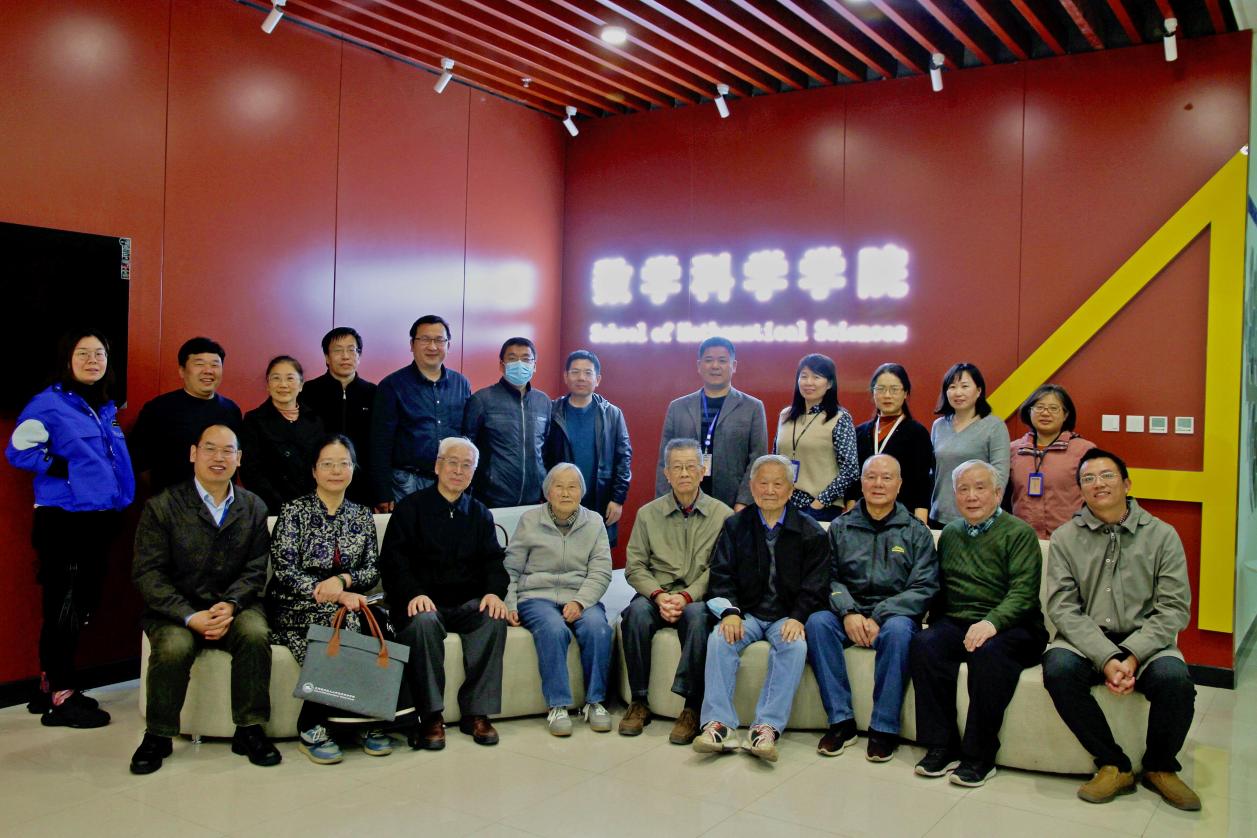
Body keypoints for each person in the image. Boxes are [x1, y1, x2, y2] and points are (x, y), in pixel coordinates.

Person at [1042, 449, 1199, 810]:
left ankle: (1160, 767)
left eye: (1107, 476)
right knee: (1059, 669)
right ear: (1081, 489)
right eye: (1088, 479)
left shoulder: (1162, 535)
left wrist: (1131, 655)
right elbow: (1063, 607)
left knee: (1175, 680)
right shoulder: (1066, 537)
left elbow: (1174, 608)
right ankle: (1113, 764)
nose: (1098, 484)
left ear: (1127, 484)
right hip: (1086, 639)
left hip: (1146, 640)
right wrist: (1107, 656)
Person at [129, 424, 280, 774]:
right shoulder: (163, 507)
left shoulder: (253, 506)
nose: (219, 458)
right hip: (175, 610)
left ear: (239, 458)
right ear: (193, 454)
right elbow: (148, 574)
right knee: (174, 647)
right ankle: (158, 735)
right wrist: (189, 615)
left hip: (235, 606)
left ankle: (250, 728)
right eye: (210, 449)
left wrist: (232, 604)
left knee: (255, 634)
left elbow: (256, 568)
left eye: (228, 451)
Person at [6, 328, 135, 726]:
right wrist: (60, 467)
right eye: (83, 353)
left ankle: (50, 687)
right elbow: (18, 450)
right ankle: (61, 696)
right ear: (67, 359)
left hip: (97, 518)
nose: (93, 360)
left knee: (79, 605)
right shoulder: (48, 403)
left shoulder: (100, 406)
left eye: (100, 354)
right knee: (64, 606)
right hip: (64, 520)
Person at [909, 459, 1046, 787]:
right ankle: (942, 745)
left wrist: (991, 622)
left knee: (988, 654)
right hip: (960, 622)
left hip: (1014, 625)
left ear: (997, 493)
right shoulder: (951, 534)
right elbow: (942, 589)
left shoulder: (1019, 533)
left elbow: (1024, 594)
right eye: (963, 489)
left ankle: (979, 756)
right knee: (925, 645)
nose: (971, 496)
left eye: (980, 488)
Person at [266, 434, 393, 765]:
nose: (336, 471)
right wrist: (327, 591)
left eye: (343, 463)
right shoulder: (294, 511)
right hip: (295, 605)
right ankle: (313, 725)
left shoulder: (361, 515)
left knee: (370, 621)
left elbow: (371, 569)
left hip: (346, 602)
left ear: (353, 468)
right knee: (347, 621)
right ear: (314, 470)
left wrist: (343, 581)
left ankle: (361, 721)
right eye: (327, 464)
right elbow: (284, 570)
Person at [693, 455, 829, 763]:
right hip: (747, 612)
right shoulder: (735, 525)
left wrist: (798, 617)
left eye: (778, 484)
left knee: (795, 646)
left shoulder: (810, 531)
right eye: (763, 483)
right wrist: (730, 612)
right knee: (720, 638)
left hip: (786, 615)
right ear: (752, 487)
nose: (769, 490)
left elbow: (817, 584)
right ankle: (719, 725)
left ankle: (765, 728)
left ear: (790, 490)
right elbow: (721, 575)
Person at [805, 454, 938, 761]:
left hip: (894, 617)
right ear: (861, 483)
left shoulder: (916, 531)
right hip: (847, 613)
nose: (878, 484)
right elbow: (827, 577)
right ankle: (841, 722)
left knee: (900, 631)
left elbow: (924, 586)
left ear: (899, 484)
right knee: (817, 623)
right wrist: (849, 612)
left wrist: (880, 615)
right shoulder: (840, 527)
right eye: (871, 477)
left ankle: (884, 728)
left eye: (887, 478)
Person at [381, 436, 508, 750]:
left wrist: (494, 593)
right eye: (452, 462)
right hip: (422, 602)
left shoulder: (479, 513)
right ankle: (431, 715)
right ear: (438, 466)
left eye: (467, 465)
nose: (458, 471)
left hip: (465, 604)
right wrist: (413, 592)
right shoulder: (411, 508)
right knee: (423, 621)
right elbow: (394, 562)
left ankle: (476, 713)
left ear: (473, 473)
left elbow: (494, 562)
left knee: (493, 617)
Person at [620, 438, 733, 744]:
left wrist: (686, 597)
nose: (684, 473)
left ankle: (691, 708)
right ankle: (639, 701)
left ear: (703, 470)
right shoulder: (648, 514)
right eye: (677, 467)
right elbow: (635, 566)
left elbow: (719, 569)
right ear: (666, 473)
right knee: (634, 614)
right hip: (655, 593)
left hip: (697, 597)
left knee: (698, 618)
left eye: (690, 466)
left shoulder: (723, 515)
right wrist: (658, 596)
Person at [505, 463, 613, 736]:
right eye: (559, 486)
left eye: (572, 487)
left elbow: (601, 571)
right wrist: (510, 604)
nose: (566, 493)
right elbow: (510, 568)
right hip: (536, 596)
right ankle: (558, 705)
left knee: (598, 628)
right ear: (548, 492)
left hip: (580, 595)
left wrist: (580, 602)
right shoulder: (530, 520)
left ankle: (595, 701)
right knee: (553, 629)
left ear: (581, 492)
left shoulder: (594, 522)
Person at [370, 315, 471, 511]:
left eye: (439, 340)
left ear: (448, 345)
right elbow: (380, 442)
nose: (432, 346)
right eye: (425, 339)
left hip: (450, 480)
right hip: (406, 483)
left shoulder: (461, 384)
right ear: (412, 344)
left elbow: (467, 435)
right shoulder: (392, 385)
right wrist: (382, 491)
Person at [656, 336, 768, 511]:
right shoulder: (678, 407)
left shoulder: (752, 407)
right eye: (709, 360)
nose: (715, 366)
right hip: (683, 501)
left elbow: (758, 459)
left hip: (732, 504)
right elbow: (665, 460)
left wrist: (744, 502)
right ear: (699, 366)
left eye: (722, 360)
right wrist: (664, 502)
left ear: (734, 366)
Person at [129, 337, 242, 493]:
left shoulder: (231, 410)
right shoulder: (158, 408)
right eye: (199, 364)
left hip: (219, 500)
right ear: (182, 371)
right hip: (170, 501)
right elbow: (140, 461)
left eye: (215, 365)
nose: (208, 370)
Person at [543, 349, 632, 546]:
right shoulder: (552, 412)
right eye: (575, 372)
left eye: (587, 373)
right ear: (566, 377)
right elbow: (542, 457)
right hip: (560, 500)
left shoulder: (612, 414)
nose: (581, 377)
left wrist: (618, 499)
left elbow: (623, 459)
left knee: (597, 555)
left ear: (597, 379)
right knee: (559, 552)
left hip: (601, 499)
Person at [464, 337, 552, 508]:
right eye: (512, 358)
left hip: (534, 500)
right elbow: (467, 449)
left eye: (526, 359)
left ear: (534, 365)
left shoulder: (544, 402)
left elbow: (546, 450)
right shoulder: (482, 400)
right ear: (501, 365)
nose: (519, 364)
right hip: (491, 500)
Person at [773, 353, 857, 523]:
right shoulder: (785, 415)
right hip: (784, 504)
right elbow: (775, 458)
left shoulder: (839, 418)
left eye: (816, 377)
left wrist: (819, 503)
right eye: (804, 376)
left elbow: (850, 469)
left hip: (820, 508)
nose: (808, 382)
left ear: (829, 383)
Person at [299, 327, 377, 507]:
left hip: (362, 485)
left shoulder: (373, 393)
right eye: (338, 350)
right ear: (327, 357)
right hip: (316, 483)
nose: (345, 356)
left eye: (351, 350)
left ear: (359, 355)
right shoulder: (309, 392)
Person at [1008, 384, 1095, 539]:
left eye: (1053, 408)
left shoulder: (1084, 450)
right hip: (1022, 540)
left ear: (1065, 415)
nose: (1045, 413)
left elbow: (1095, 497)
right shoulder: (1013, 450)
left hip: (1069, 539)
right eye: (1039, 407)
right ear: (1029, 411)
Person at [850, 363, 934, 524]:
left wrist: (920, 525)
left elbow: (922, 484)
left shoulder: (917, 433)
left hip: (902, 520)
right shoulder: (859, 432)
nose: (887, 395)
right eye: (881, 389)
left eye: (894, 389)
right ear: (873, 392)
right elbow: (853, 482)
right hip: (863, 519)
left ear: (905, 393)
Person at [240, 356, 325, 514]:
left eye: (290, 378)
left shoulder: (314, 420)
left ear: (301, 385)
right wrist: (281, 506)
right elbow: (250, 472)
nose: (283, 384)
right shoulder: (254, 420)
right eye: (276, 378)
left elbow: (322, 464)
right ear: (268, 385)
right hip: (271, 509)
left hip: (313, 507)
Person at [930, 363, 1010, 526]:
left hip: (979, 516)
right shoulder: (939, 426)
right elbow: (932, 471)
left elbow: (1000, 475)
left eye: (965, 386)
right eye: (952, 387)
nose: (958, 392)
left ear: (979, 391)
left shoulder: (994, 426)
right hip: (940, 515)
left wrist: (988, 513)